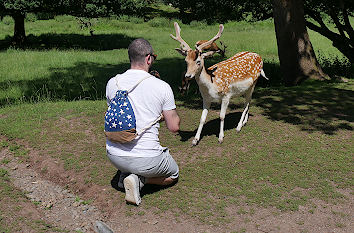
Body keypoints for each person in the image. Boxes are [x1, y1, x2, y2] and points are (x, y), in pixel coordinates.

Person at [105, 38, 180, 205]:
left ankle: (124, 175)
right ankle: (140, 180)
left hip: (114, 156)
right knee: (173, 174)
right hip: (147, 159)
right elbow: (174, 127)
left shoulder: (112, 82)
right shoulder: (162, 86)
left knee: (130, 162)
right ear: (148, 58)